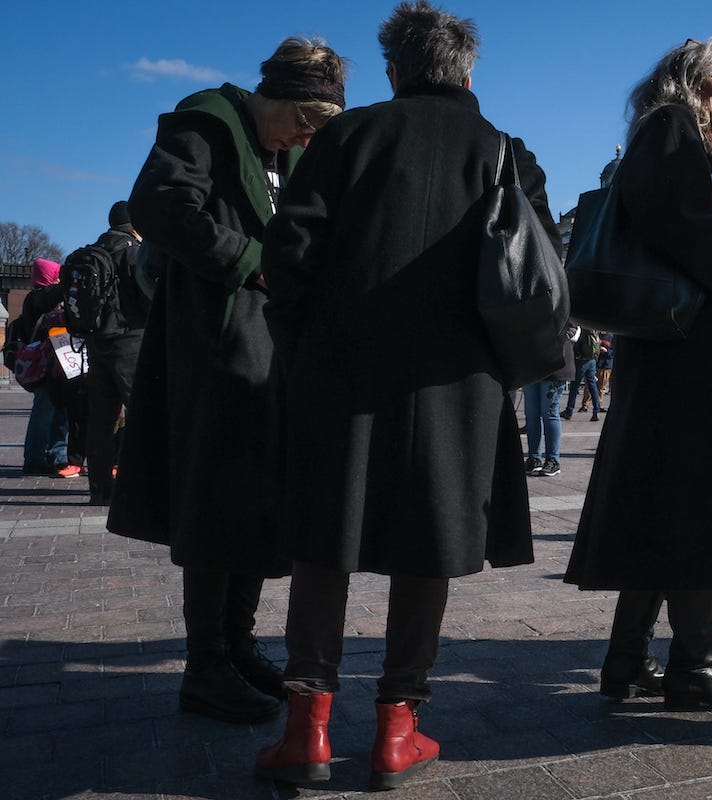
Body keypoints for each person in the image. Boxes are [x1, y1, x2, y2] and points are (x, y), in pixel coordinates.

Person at [253, 3, 554, 788]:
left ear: (393, 71)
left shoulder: (347, 137)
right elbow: (540, 273)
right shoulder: (505, 152)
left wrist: (304, 346)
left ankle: (307, 728)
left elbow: (287, 256)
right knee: (430, 540)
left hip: (341, 369)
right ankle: (397, 726)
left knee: (325, 539)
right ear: (467, 73)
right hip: (459, 379)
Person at [108, 37, 347, 724]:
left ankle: (238, 646)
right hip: (214, 345)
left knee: (257, 499)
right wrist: (250, 259)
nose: (303, 138)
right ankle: (205, 665)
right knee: (216, 501)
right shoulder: (208, 120)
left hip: (270, 350)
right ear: (275, 97)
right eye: (301, 121)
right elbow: (159, 207)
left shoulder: (288, 150)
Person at [564, 38, 712, 712]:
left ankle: (626, 659)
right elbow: (683, 226)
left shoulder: (680, 137)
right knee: (698, 500)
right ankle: (694, 663)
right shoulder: (670, 127)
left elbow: (695, 220)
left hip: (675, 349)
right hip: (689, 351)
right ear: (687, 79)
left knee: (661, 503)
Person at [81, 201, 147, 506]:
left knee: (100, 421)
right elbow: (147, 295)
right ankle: (144, 483)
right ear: (134, 225)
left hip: (96, 341)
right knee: (144, 411)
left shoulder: (94, 250)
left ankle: (100, 490)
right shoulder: (133, 252)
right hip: (129, 339)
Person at [17, 259, 70, 475]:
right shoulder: (37, 297)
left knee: (60, 410)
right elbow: (52, 296)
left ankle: (57, 456)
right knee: (45, 411)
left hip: (58, 363)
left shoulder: (41, 298)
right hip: (45, 364)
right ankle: (36, 458)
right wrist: (70, 279)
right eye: (56, 275)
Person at [525, 326, 579, 477]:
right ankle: (534, 458)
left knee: (549, 413)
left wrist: (555, 340)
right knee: (531, 414)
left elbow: (573, 329)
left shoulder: (564, 309)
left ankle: (553, 460)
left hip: (555, 364)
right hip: (531, 365)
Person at [563, 327, 603, 421]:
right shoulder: (594, 329)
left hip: (582, 360)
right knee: (592, 385)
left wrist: (576, 354)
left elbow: (576, 342)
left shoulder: (582, 327)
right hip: (592, 359)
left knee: (574, 386)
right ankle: (596, 410)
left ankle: (569, 410)